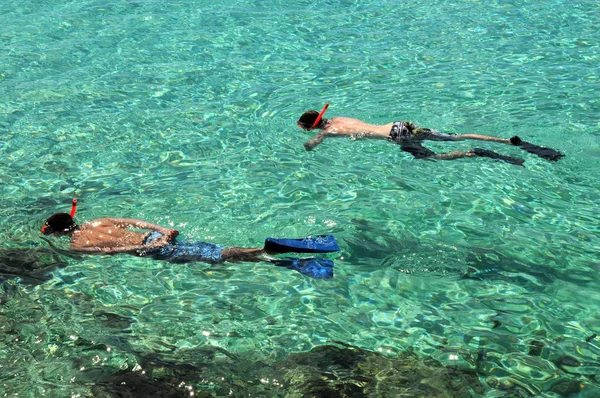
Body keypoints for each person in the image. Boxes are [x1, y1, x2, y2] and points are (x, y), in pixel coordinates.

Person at [40, 200, 340, 278]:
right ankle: (274, 255)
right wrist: (161, 229)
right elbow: (133, 221)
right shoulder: (98, 220)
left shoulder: (77, 246)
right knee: (212, 252)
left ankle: (272, 253)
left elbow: (110, 252)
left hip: (150, 249)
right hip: (153, 236)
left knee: (219, 256)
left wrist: (154, 245)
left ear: (58, 231)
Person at [297, 104, 564, 164]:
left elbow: (312, 144)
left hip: (397, 137)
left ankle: (476, 153)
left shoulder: (330, 131)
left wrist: (307, 145)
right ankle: (507, 141)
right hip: (402, 125)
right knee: (456, 135)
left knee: (432, 158)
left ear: (314, 125)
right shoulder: (340, 118)